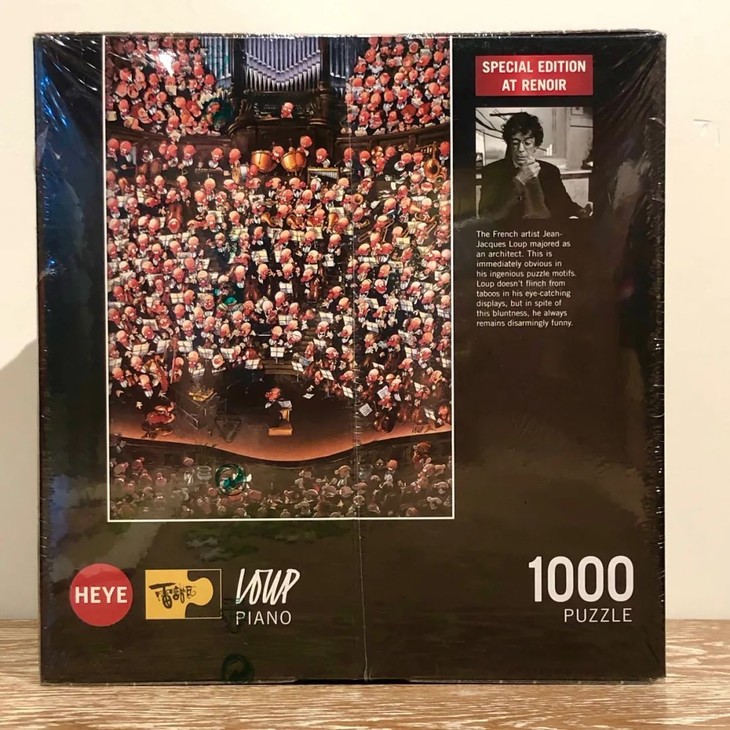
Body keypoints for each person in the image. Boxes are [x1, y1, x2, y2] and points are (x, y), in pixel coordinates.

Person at [478, 112, 590, 223]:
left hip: (547, 230)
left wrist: (581, 211)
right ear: (509, 144)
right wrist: (519, 180)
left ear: (536, 146)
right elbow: (487, 216)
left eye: (527, 143)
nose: (520, 149)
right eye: (515, 143)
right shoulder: (492, 171)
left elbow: (565, 204)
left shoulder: (550, 170)